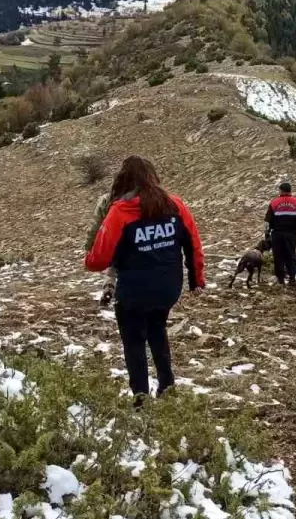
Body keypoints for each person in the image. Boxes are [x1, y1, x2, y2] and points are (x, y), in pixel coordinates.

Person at [85, 156, 206, 406]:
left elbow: (97, 260)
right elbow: (193, 244)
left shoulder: (120, 210)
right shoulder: (175, 205)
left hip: (134, 292)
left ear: (123, 179)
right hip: (168, 288)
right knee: (157, 329)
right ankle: (167, 386)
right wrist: (196, 280)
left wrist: (93, 259)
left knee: (134, 343)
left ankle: (141, 400)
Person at [265, 181, 296, 285]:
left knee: (278, 256)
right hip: (291, 234)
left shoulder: (274, 202)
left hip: (277, 234)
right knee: (291, 255)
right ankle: (292, 278)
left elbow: (267, 221)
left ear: (280, 191)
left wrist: (267, 235)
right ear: (290, 191)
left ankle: (280, 279)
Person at [87, 191, 119, 307]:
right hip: (133, 238)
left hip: (110, 237)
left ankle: (109, 286)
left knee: (112, 266)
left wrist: (89, 247)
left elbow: (95, 224)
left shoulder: (106, 199)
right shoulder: (140, 197)